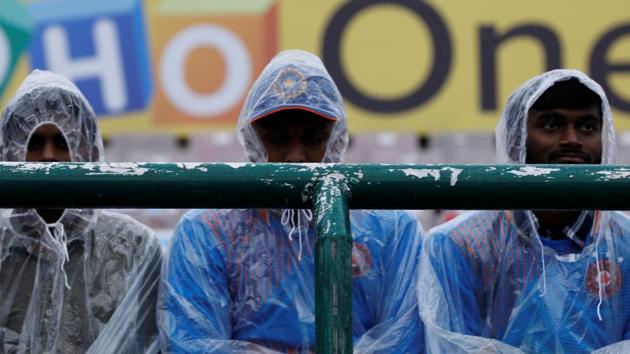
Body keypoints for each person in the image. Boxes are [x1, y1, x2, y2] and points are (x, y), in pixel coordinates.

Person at [158, 49, 424, 353]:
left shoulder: (392, 228)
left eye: (313, 139)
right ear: (252, 140)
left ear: (336, 140)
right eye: (278, 139)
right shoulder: (205, 233)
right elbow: (191, 343)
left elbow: (405, 339)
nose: (296, 156)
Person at [418, 69, 630, 353]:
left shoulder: (626, 243)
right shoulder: (459, 245)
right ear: (515, 139)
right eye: (552, 124)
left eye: (588, 127)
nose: (572, 139)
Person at [0, 70, 162, 354]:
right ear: (10, 152)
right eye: (34, 143)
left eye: (63, 142)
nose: (48, 155)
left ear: (90, 152)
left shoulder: (132, 246)